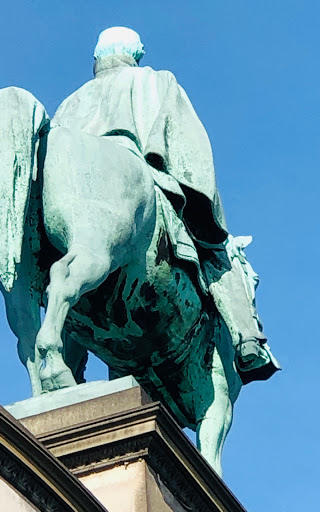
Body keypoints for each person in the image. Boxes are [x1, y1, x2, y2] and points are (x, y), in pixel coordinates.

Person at [50, 26, 280, 383]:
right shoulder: (155, 80)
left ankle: (64, 356)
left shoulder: (70, 101)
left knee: (72, 256)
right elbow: (187, 143)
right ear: (135, 54)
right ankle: (247, 339)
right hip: (142, 172)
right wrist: (203, 203)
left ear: (97, 58)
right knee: (219, 250)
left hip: (68, 199)